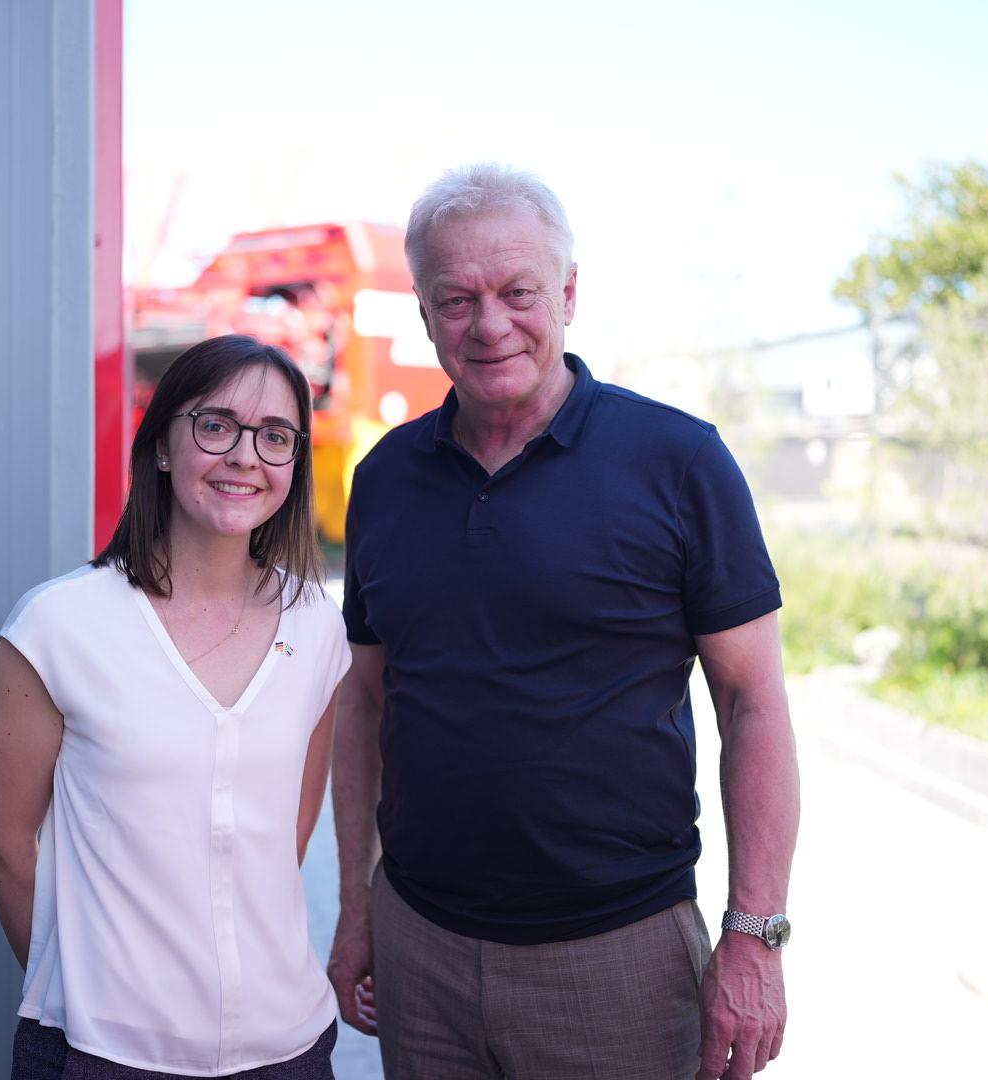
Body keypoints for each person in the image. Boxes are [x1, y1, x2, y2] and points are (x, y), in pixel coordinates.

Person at [328, 165, 800, 1080]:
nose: (489, 323)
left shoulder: (677, 461)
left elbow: (757, 703)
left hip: (615, 957)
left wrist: (756, 936)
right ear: (423, 314)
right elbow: (366, 703)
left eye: (518, 292)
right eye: (455, 298)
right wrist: (358, 906)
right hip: (420, 945)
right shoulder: (383, 479)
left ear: (571, 294)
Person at [0, 335, 350, 1079]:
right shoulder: (59, 625)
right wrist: (89, 982)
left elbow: (285, 836)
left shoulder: (317, 623)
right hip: (104, 1051)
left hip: (287, 1047)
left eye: (276, 437)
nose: (247, 456)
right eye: (217, 426)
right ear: (165, 447)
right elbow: (3, 843)